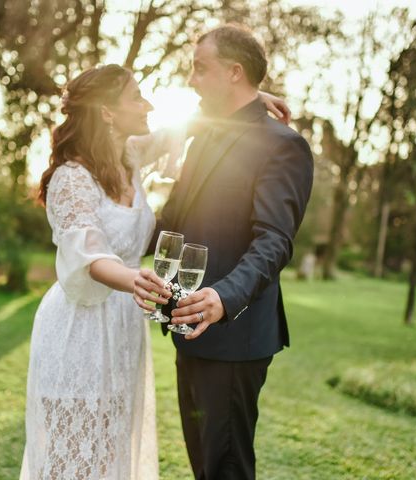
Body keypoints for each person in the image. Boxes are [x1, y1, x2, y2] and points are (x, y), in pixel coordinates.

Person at [20, 64, 290, 479]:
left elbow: (188, 125)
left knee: (112, 446)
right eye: (136, 97)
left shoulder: (129, 156)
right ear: (108, 112)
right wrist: (136, 280)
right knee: (75, 451)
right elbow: (87, 254)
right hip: (79, 326)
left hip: (124, 326)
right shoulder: (71, 178)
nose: (147, 105)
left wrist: (254, 103)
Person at [134, 25, 314, 480]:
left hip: (234, 337)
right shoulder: (205, 135)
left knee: (226, 468)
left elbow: (273, 241)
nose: (192, 79)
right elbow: (171, 221)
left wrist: (223, 297)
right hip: (187, 326)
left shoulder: (282, 146)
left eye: (201, 68)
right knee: (204, 466)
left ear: (234, 72)